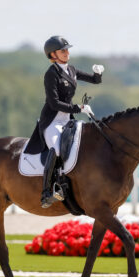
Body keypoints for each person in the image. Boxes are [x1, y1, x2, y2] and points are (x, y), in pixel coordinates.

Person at [24, 35, 104, 208]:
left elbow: (94, 80)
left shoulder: (72, 70)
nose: (67, 53)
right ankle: (47, 192)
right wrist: (79, 108)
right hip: (52, 121)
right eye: (63, 50)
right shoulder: (51, 74)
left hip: (67, 120)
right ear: (53, 55)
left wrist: (98, 73)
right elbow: (54, 103)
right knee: (57, 149)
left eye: (67, 50)